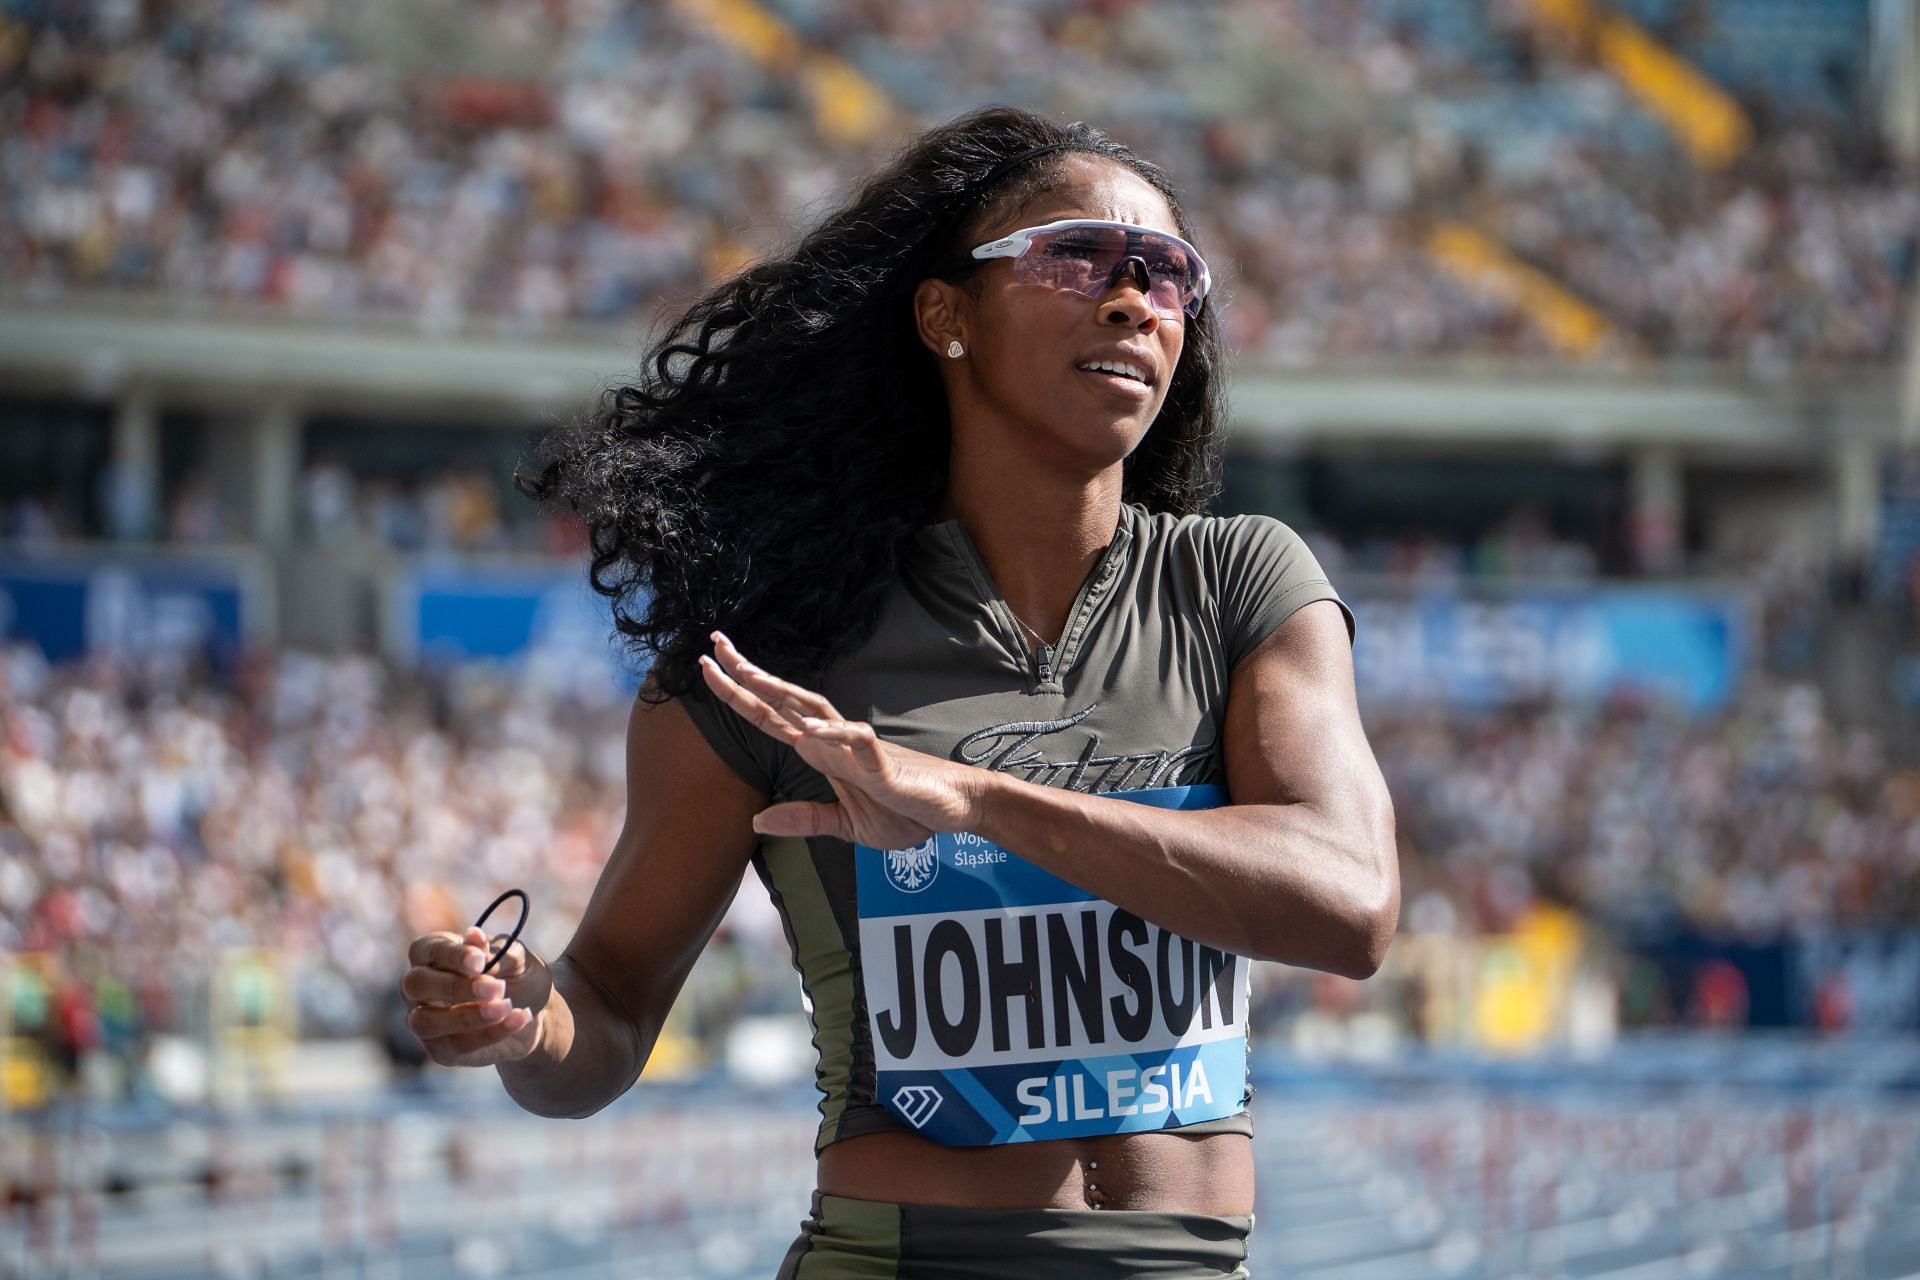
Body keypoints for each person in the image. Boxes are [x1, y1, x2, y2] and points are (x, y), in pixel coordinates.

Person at [400, 105, 1399, 1277]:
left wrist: (975, 800)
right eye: (1074, 256)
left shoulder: (1242, 582)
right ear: (946, 316)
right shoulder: (774, 655)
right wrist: (523, 1017)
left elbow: (1352, 904)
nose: (1133, 298)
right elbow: (607, 1010)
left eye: (1168, 273)